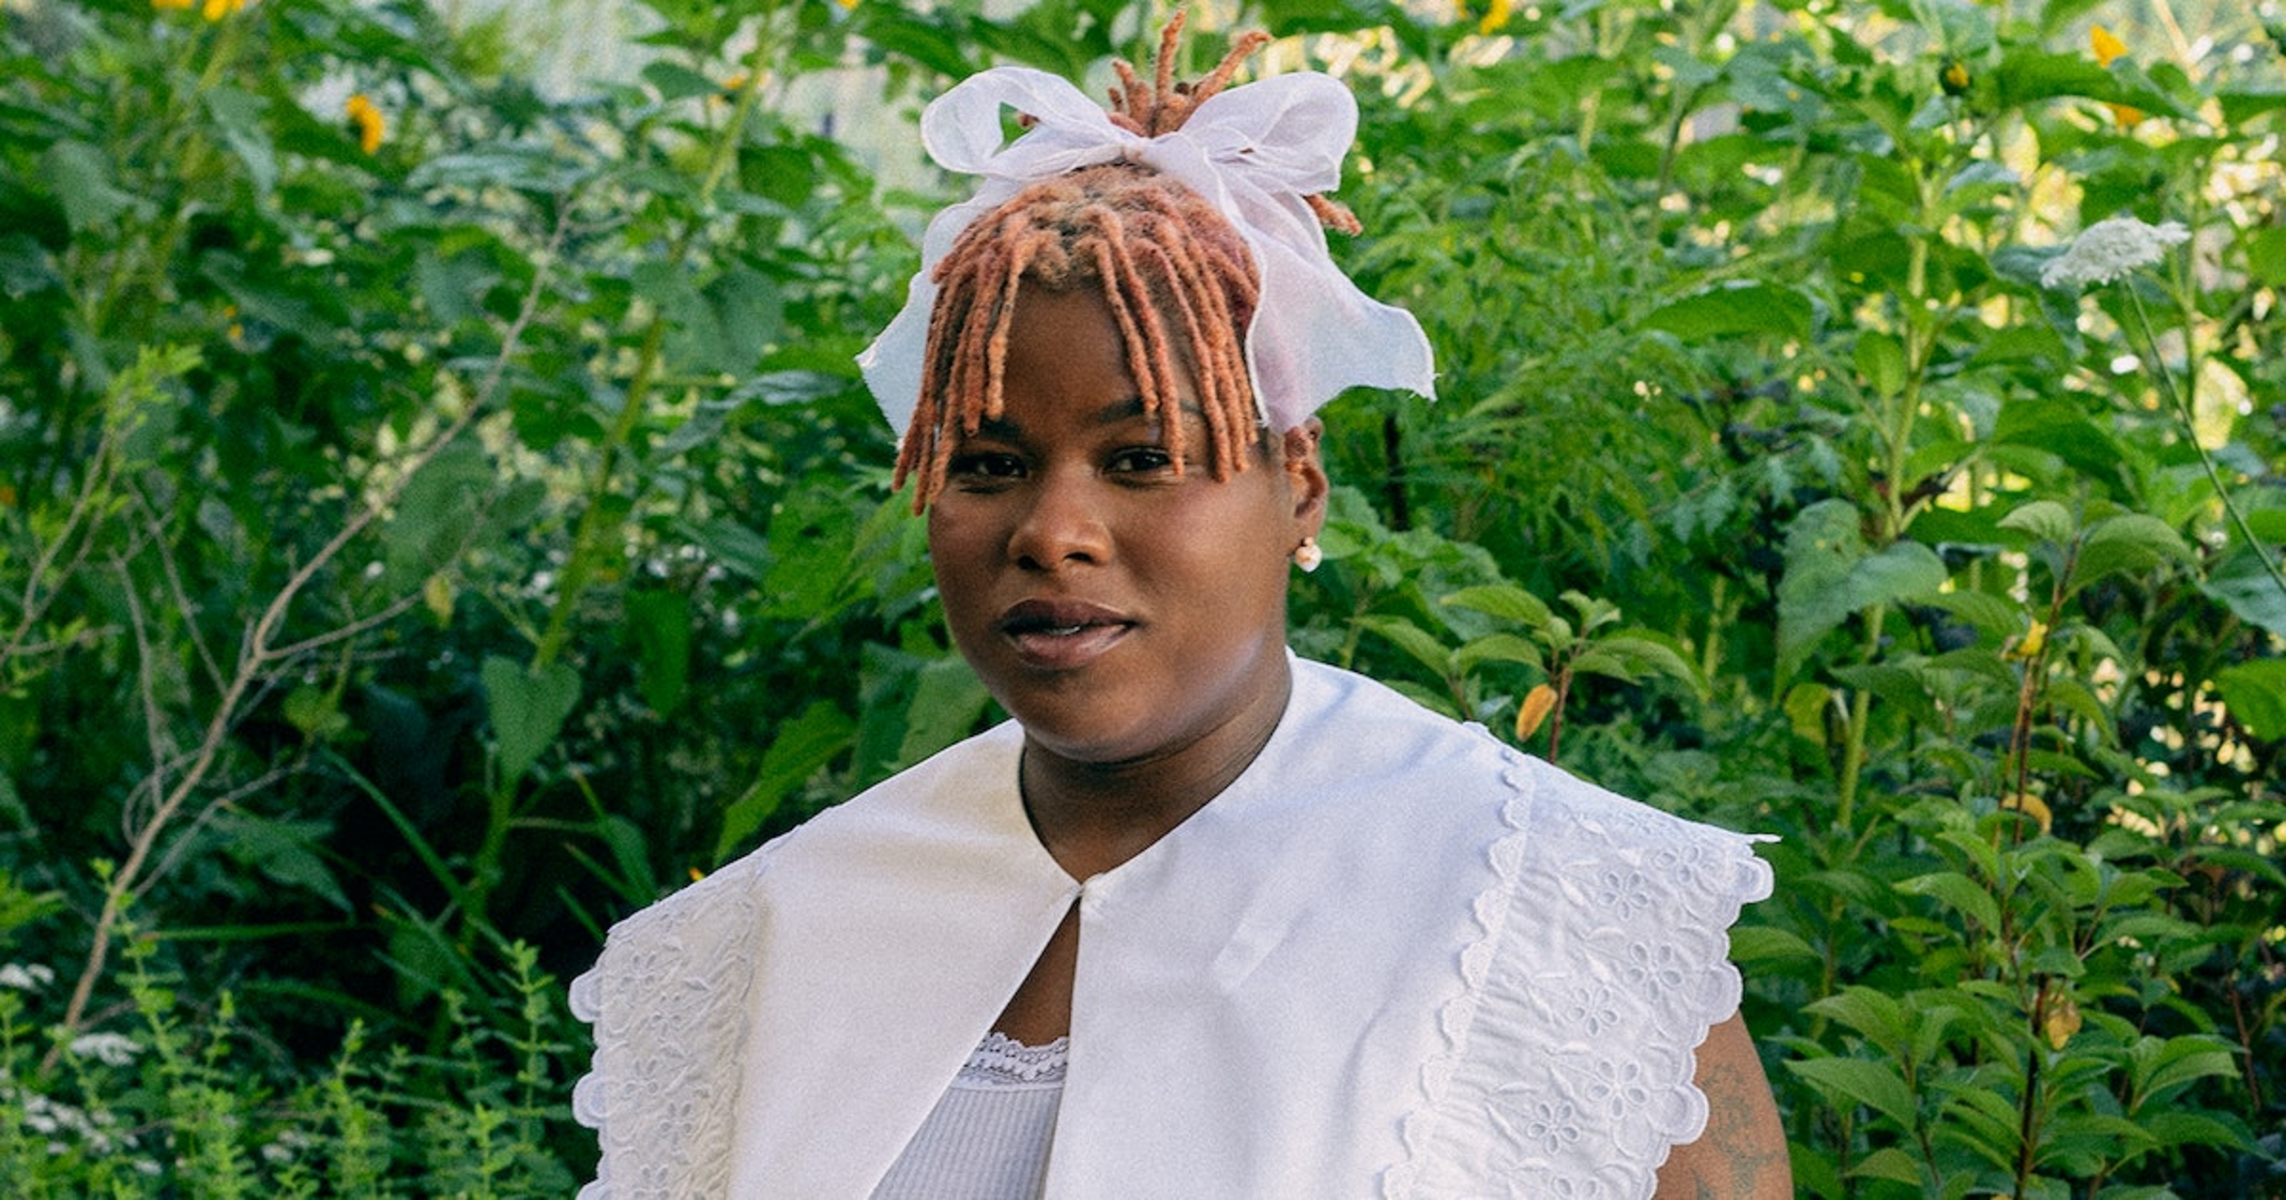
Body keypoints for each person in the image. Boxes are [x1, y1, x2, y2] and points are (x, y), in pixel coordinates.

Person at [572, 18, 1789, 1199]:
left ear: (1298, 488)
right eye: (989, 463)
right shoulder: (777, 933)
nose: (1053, 530)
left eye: (1143, 457)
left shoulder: (1554, 919)